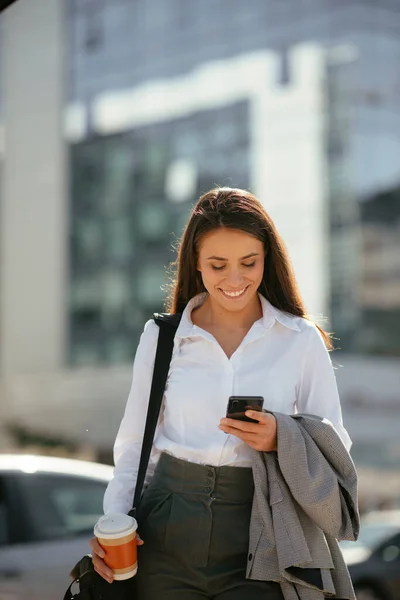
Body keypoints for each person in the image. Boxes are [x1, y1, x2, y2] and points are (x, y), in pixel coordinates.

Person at [89, 187, 352, 599]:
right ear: (196, 262)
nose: (234, 279)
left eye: (249, 263)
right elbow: (136, 444)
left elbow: (335, 442)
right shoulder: (163, 338)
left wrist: (280, 437)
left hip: (261, 527)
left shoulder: (299, 339)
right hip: (165, 526)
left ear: (268, 259)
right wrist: (113, 524)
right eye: (218, 265)